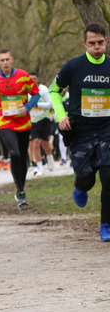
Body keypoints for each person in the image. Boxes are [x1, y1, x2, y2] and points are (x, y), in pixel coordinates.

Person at [49, 23, 110, 242]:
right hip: (81, 131)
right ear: (84, 43)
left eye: (100, 42)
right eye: (92, 43)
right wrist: (61, 116)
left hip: (107, 130)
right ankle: (80, 187)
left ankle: (106, 224)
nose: (97, 47)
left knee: (108, 177)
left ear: (106, 41)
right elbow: (53, 91)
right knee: (86, 180)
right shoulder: (73, 66)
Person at [0, 49, 39, 209]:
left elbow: (36, 94)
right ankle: (20, 190)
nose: (5, 63)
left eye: (7, 59)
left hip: (23, 123)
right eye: (2, 60)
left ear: (12, 60)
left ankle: (20, 189)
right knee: (15, 153)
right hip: (5, 122)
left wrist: (28, 106)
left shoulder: (23, 76)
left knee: (23, 157)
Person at [28, 71, 55, 175]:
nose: (32, 81)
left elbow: (50, 104)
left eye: (34, 79)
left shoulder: (43, 89)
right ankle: (39, 168)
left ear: (38, 79)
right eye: (30, 79)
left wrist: (37, 105)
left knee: (45, 143)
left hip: (44, 119)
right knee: (35, 143)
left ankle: (49, 157)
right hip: (32, 121)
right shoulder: (26, 90)